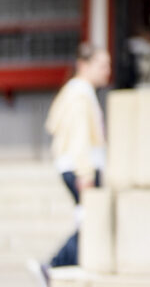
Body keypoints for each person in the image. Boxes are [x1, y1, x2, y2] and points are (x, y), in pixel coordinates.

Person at [29, 43, 110, 285]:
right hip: (80, 168)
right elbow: (79, 136)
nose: (107, 70)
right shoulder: (79, 95)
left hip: (75, 167)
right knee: (89, 221)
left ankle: (56, 266)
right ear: (83, 65)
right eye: (102, 65)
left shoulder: (78, 93)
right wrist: (85, 172)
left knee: (87, 220)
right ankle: (53, 265)